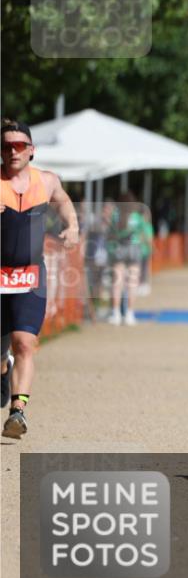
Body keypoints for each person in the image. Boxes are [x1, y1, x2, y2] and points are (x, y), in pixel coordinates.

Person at [0, 118, 80, 438]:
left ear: (31, 150)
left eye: (19, 145)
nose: (13, 151)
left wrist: (72, 226)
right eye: (6, 147)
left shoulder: (46, 181)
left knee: (25, 343)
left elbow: (62, 200)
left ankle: (17, 412)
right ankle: (4, 370)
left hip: (30, 276)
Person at [106, 192, 149, 326]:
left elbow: (111, 232)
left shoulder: (116, 215)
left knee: (117, 283)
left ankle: (116, 313)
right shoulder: (137, 216)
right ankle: (130, 314)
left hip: (119, 248)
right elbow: (145, 234)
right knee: (132, 283)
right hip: (134, 248)